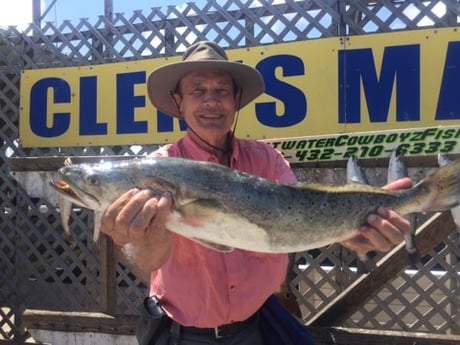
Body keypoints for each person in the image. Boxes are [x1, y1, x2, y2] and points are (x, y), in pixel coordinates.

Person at [100, 41, 412, 345]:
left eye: (222, 90)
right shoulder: (154, 172)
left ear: (235, 99)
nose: (211, 100)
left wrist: (351, 228)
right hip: (184, 335)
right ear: (178, 101)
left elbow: (299, 217)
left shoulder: (268, 159)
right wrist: (141, 239)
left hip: (257, 327)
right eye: (197, 90)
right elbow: (145, 263)